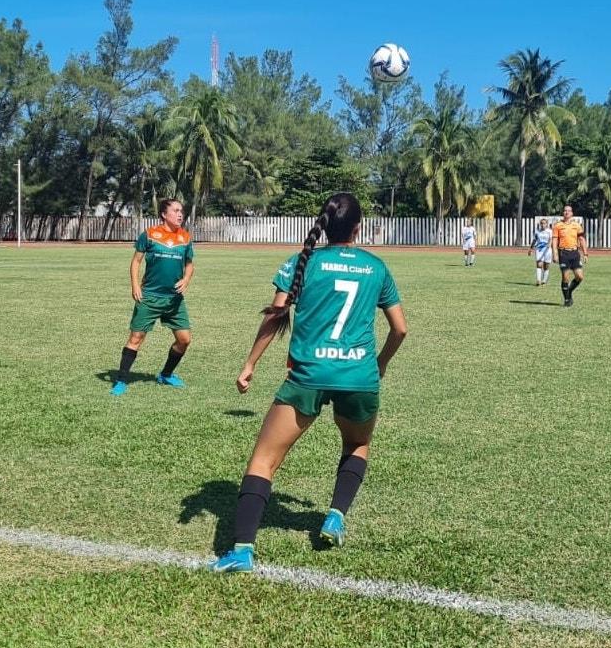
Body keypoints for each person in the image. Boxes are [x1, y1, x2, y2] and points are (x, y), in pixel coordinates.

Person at [211, 192, 407, 572]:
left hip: (308, 376)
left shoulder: (302, 262)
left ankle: (241, 550)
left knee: (264, 461)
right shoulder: (376, 267)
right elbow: (400, 330)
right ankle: (335, 515)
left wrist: (249, 364)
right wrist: (379, 364)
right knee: (356, 443)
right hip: (359, 377)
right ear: (358, 227)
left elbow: (274, 317)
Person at [111, 199, 194, 396]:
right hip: (149, 296)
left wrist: (186, 280)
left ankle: (166, 374)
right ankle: (121, 380)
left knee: (184, 340)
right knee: (136, 338)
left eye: (181, 211)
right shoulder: (149, 235)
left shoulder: (185, 237)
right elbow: (136, 261)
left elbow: (190, 264)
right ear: (164, 214)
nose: (180, 214)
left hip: (174, 299)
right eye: (176, 211)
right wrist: (135, 285)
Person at [552, 206, 586, 307]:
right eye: (565, 210)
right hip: (564, 253)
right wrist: (555, 254)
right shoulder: (558, 226)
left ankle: (569, 291)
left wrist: (585, 253)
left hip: (575, 253)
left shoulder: (577, 225)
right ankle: (567, 300)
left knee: (580, 276)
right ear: (563, 213)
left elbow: (582, 240)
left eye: (569, 211)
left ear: (572, 213)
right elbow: (554, 241)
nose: (566, 212)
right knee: (565, 278)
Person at [532, 218, 553, 286]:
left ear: (547, 224)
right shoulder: (537, 231)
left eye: (544, 223)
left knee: (546, 266)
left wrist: (549, 244)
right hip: (539, 250)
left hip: (547, 250)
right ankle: (538, 280)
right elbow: (534, 240)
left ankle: (544, 280)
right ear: (540, 224)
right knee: (539, 265)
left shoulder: (550, 231)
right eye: (542, 223)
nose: (543, 225)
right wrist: (531, 248)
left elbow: (551, 239)